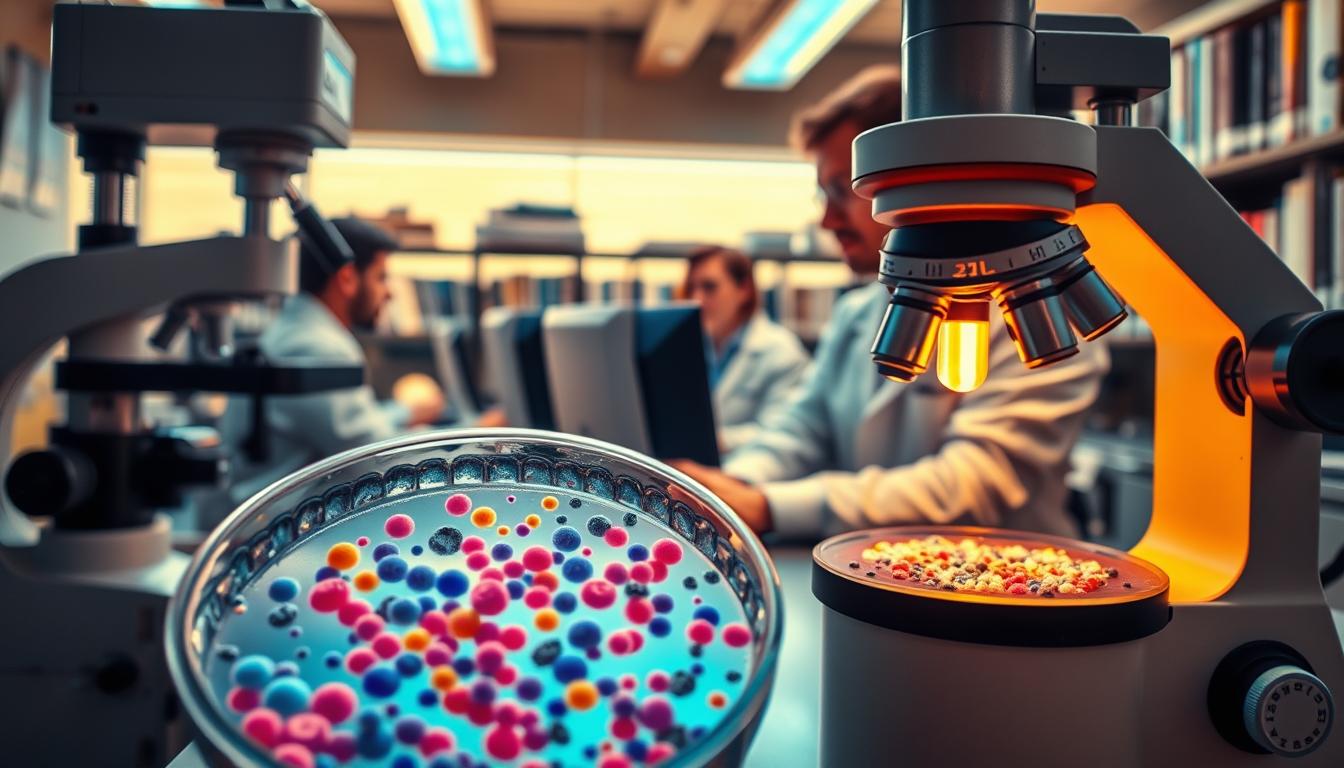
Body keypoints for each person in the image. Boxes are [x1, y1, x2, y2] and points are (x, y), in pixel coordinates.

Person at [671, 66, 1109, 539]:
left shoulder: (1041, 314)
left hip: (1010, 588)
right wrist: (729, 486)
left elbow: (974, 483)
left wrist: (769, 506)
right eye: (824, 193)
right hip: (872, 571)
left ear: (916, 179)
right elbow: (802, 429)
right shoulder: (856, 312)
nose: (826, 220)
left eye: (841, 190)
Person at [218, 217, 447, 502]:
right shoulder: (314, 345)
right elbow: (371, 454)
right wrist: (466, 438)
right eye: (381, 277)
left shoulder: (300, 330)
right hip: (281, 527)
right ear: (347, 278)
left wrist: (409, 414)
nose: (388, 293)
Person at [681, 245, 810, 455]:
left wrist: (713, 440)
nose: (696, 300)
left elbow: (784, 432)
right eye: (690, 288)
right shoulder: (691, 349)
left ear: (744, 290)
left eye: (709, 287)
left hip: (747, 476)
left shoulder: (782, 352)